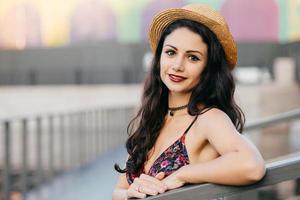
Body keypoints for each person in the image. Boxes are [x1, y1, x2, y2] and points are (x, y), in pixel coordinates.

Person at [112, 4, 266, 199]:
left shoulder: (209, 118)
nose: (177, 65)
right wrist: (129, 194)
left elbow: (252, 166)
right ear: (159, 58)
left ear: (208, 68)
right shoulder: (152, 118)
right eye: (171, 52)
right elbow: (118, 190)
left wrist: (182, 174)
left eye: (192, 57)